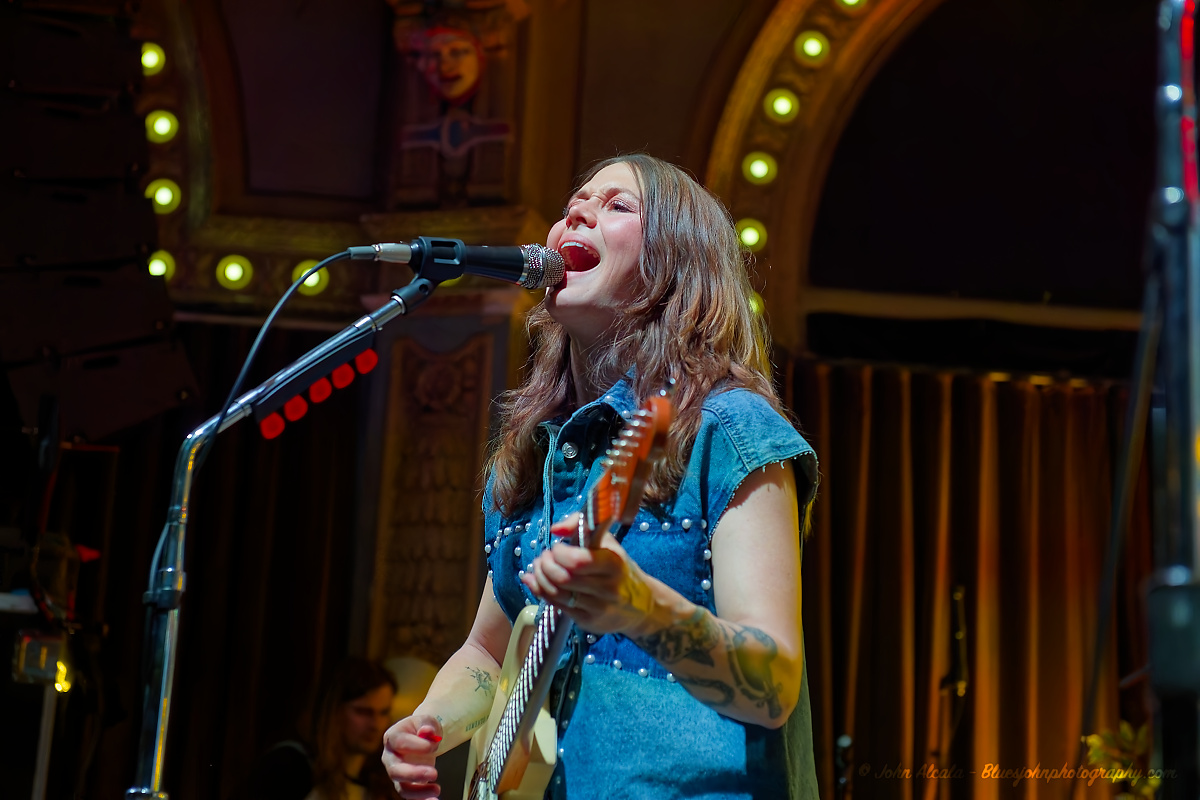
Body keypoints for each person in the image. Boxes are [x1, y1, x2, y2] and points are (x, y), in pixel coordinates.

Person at [382, 154, 820, 799]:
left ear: (679, 262)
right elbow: (486, 650)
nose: (577, 213)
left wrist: (642, 608)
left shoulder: (730, 429)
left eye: (618, 205)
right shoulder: (535, 454)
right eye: (575, 204)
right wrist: (430, 723)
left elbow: (774, 685)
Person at [240, 658, 400, 800]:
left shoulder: (381, 782)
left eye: (384, 712)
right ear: (335, 711)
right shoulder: (291, 766)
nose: (376, 724)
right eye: (363, 712)